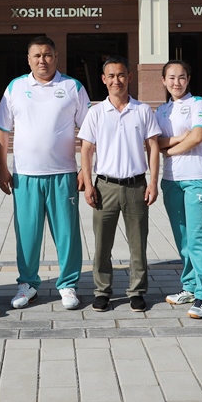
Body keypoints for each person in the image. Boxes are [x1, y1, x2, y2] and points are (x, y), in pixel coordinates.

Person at [0, 36, 90, 310]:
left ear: (56, 57)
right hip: (25, 175)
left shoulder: (72, 87)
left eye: (47, 55)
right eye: (36, 55)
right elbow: (2, 130)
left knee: (67, 233)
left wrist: (85, 169)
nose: (42, 60)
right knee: (27, 234)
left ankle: (68, 284)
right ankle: (28, 284)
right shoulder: (15, 87)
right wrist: (2, 167)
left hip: (63, 173)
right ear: (28, 59)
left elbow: (89, 131)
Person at [79, 57, 161, 312]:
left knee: (138, 243)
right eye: (111, 76)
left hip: (137, 186)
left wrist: (153, 182)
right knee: (102, 244)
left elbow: (153, 147)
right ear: (104, 79)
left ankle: (137, 291)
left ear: (130, 77)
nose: (117, 80)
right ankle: (102, 291)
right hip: (105, 187)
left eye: (121, 75)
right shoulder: (96, 112)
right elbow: (86, 150)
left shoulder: (142, 110)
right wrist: (89, 184)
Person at [156, 60, 202, 319]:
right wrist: (181, 138)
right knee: (183, 239)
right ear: (163, 81)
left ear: (188, 79)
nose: (176, 82)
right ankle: (190, 287)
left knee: (198, 238)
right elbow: (155, 142)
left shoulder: (197, 103)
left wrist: (169, 150)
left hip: (196, 178)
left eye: (181, 77)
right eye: (171, 77)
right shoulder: (161, 110)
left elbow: (198, 136)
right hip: (171, 180)